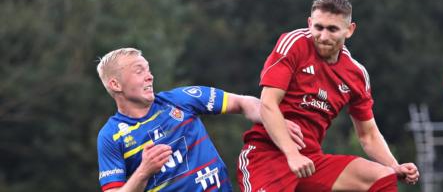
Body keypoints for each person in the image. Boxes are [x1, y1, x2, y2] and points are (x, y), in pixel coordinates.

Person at [237, 0, 420, 192]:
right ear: (309, 23)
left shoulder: (356, 74)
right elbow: (267, 104)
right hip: (267, 156)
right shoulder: (293, 43)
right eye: (318, 27)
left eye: (332, 29)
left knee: (382, 177)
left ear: (349, 30)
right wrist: (292, 154)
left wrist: (395, 166)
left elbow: (368, 135)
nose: (323, 36)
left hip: (311, 161)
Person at [96, 48, 304, 192]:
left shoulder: (181, 99)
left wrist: (273, 119)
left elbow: (243, 103)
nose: (150, 76)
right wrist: (144, 171)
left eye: (148, 69)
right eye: (139, 71)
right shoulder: (110, 136)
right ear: (115, 84)